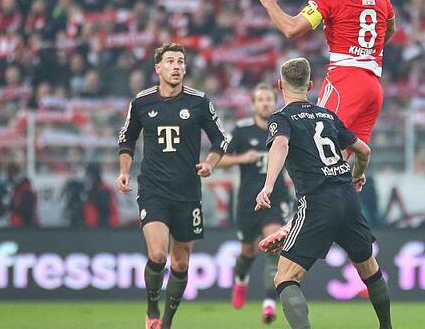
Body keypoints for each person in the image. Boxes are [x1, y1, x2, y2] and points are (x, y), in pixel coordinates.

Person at [254, 57, 392, 329]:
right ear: (311, 85)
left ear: (280, 85)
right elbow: (364, 151)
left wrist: (268, 186)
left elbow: (280, 146)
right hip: (349, 200)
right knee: (370, 269)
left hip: (316, 202)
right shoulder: (328, 116)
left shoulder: (281, 118)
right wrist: (356, 175)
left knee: (285, 278)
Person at [117, 42, 229, 329]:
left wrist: (210, 164)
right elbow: (126, 140)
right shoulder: (141, 102)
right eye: (170, 61)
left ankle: (166, 322)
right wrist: (124, 171)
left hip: (187, 191)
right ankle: (151, 306)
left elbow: (221, 139)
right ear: (158, 68)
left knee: (180, 263)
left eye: (181, 61)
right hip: (153, 188)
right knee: (157, 254)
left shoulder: (199, 101)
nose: (177, 66)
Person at [253, 0, 396, 145]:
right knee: (343, 158)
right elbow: (390, 29)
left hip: (345, 80)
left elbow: (291, 28)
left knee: (317, 149)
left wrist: (270, 3)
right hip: (373, 85)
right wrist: (367, 52)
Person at [217, 83, 293, 324]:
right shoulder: (241, 131)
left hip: (276, 197)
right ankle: (241, 280)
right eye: (260, 100)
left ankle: (269, 303)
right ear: (253, 104)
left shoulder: (282, 129)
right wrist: (242, 158)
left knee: (274, 247)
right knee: (247, 252)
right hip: (248, 200)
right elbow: (219, 159)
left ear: (275, 102)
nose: (265, 103)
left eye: (269, 99)